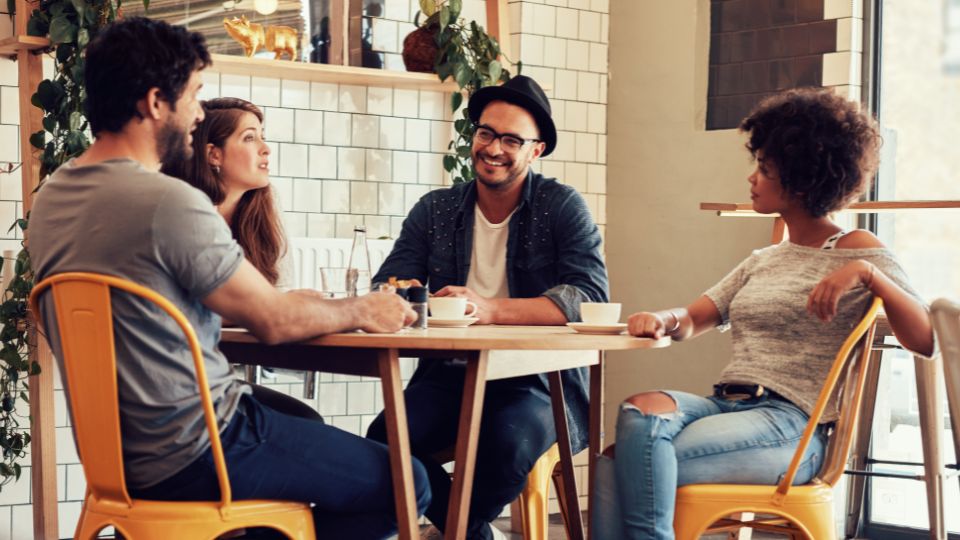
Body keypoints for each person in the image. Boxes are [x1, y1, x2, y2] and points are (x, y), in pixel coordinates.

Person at [28, 17, 429, 539]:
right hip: (199, 444)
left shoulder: (51, 198)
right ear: (154, 102)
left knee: (303, 425)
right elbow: (273, 322)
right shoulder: (167, 202)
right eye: (194, 96)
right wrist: (361, 308)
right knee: (408, 481)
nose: (198, 115)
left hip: (118, 456)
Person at [592, 88, 935, 540]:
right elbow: (696, 317)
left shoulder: (861, 253)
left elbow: (926, 339)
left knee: (625, 460)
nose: (752, 178)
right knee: (639, 411)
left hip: (792, 428)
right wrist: (663, 318)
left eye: (765, 169)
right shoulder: (765, 259)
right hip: (726, 404)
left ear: (801, 181)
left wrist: (867, 274)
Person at [365, 75, 609, 539]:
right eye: (485, 133)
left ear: (535, 151)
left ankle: (458, 530)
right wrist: (407, 292)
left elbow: (587, 296)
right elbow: (388, 283)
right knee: (386, 441)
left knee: (506, 445)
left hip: (537, 381)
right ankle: (475, 533)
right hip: (450, 372)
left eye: (511, 139)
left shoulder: (561, 208)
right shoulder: (435, 209)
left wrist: (491, 309)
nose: (493, 148)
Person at [162, 96, 320, 420]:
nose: (266, 148)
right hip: (179, 390)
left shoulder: (259, 215)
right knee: (304, 422)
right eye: (249, 137)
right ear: (213, 154)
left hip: (213, 379)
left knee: (304, 418)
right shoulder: (185, 218)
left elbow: (274, 290)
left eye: (262, 135)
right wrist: (264, 308)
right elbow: (171, 314)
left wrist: (275, 304)